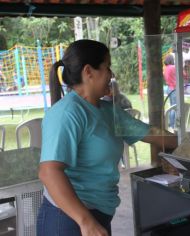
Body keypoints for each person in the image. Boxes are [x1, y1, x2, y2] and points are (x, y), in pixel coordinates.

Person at [37, 39, 177, 236]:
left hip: (99, 215)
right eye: (107, 67)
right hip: (68, 219)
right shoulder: (67, 113)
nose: (112, 74)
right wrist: (86, 222)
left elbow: (153, 134)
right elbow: (49, 172)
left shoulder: (108, 111)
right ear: (88, 72)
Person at [163, 54, 177, 129]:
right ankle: (172, 125)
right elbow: (183, 74)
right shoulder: (173, 67)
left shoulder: (165, 68)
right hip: (174, 88)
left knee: (171, 107)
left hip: (169, 88)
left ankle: (170, 123)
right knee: (175, 107)